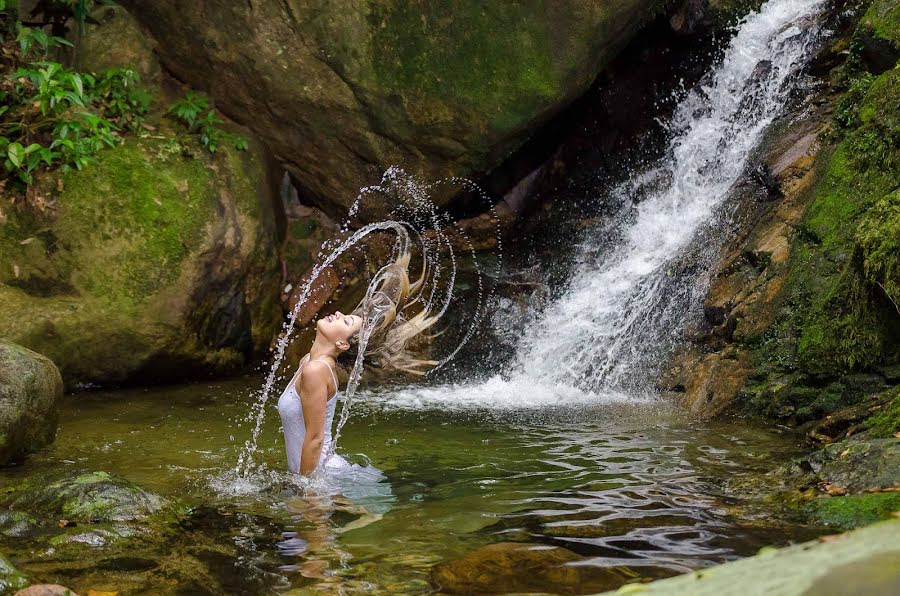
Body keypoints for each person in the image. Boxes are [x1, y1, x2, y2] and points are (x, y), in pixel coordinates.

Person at [276, 251, 437, 476]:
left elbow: (315, 439)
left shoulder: (316, 370)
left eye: (347, 320)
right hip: (319, 474)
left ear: (342, 344)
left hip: (324, 478)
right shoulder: (309, 362)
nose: (340, 313)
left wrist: (306, 493)